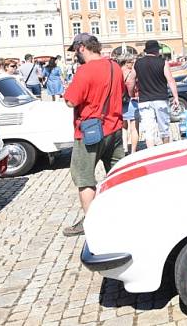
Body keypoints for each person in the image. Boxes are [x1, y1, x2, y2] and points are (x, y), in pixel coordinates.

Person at [62, 33, 126, 237]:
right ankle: (122, 213)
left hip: (90, 131)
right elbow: (123, 92)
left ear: (82, 48)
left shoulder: (85, 71)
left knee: (84, 177)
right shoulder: (114, 66)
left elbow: (71, 101)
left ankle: (91, 221)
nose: (76, 56)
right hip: (114, 127)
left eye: (76, 51)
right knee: (118, 174)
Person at [129, 40, 179, 148]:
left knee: (148, 130)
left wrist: (131, 93)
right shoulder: (163, 62)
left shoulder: (137, 63)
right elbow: (170, 80)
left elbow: (131, 80)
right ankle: (165, 150)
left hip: (144, 100)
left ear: (146, 51)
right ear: (157, 50)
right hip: (161, 98)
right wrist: (175, 97)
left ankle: (150, 152)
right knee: (164, 127)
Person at [120, 56, 140, 154]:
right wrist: (132, 95)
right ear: (127, 63)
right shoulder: (130, 72)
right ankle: (133, 150)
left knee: (123, 126)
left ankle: (124, 148)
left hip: (120, 101)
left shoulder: (117, 71)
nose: (133, 64)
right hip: (131, 100)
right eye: (131, 62)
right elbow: (130, 84)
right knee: (134, 127)